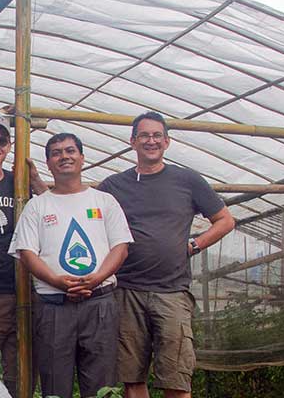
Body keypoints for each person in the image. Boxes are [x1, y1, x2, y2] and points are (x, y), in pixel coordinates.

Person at [97, 111, 235, 398]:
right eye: (144, 135)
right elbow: (86, 221)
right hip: (127, 290)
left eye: (157, 135)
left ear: (166, 142)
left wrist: (194, 245)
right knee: (132, 378)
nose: (151, 141)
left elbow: (225, 221)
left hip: (172, 291)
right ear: (132, 141)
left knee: (176, 379)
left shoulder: (186, 180)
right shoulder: (113, 186)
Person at [9, 133, 134, 398]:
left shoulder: (104, 201)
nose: (64, 156)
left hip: (100, 304)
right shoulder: (37, 206)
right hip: (54, 307)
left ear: (82, 158)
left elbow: (120, 248)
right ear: (48, 163)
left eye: (70, 151)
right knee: (55, 386)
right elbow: (27, 253)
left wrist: (97, 277)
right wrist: (58, 282)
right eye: (56, 153)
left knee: (102, 386)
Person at [0, 114, 47, 395]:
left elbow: (54, 209)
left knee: (23, 375)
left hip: (25, 290)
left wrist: (36, 181)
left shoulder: (20, 183)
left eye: (1, 140)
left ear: (9, 146)